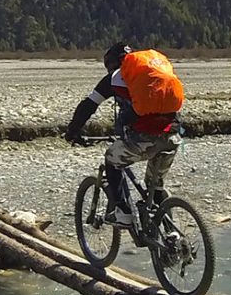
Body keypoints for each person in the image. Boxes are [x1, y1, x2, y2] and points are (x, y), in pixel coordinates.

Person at [65, 43, 184, 227]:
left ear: (111, 64)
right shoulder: (153, 73)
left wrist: (73, 131)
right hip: (172, 137)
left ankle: (123, 212)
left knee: (112, 159)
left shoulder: (115, 78)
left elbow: (88, 105)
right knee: (155, 186)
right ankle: (172, 235)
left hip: (143, 140)